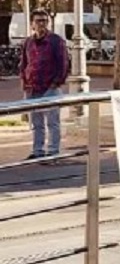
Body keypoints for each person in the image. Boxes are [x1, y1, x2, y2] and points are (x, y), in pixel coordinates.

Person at [19, 9, 69, 159]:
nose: (42, 24)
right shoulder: (28, 42)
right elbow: (24, 63)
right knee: (36, 123)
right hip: (32, 87)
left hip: (50, 87)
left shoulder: (56, 41)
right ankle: (38, 151)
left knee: (52, 122)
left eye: (44, 21)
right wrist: (24, 80)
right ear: (32, 24)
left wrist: (56, 82)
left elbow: (64, 63)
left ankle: (53, 152)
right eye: (38, 21)